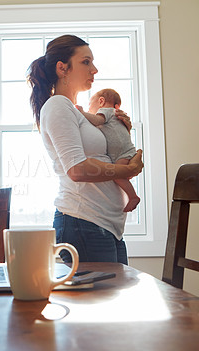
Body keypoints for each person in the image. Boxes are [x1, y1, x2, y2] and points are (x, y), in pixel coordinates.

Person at [27, 35, 143, 264]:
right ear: (62, 68)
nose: (95, 69)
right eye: (86, 62)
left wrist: (121, 129)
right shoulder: (58, 105)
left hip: (105, 225)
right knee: (98, 299)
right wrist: (130, 170)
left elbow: (104, 153)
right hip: (83, 222)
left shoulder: (77, 112)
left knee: (110, 298)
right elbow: (77, 170)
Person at [76, 88, 140, 212]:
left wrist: (83, 112)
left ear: (101, 101)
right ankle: (132, 196)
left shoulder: (106, 111)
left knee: (118, 175)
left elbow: (97, 120)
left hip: (124, 152)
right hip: (125, 152)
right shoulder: (115, 116)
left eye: (90, 105)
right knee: (121, 175)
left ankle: (133, 197)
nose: (90, 109)